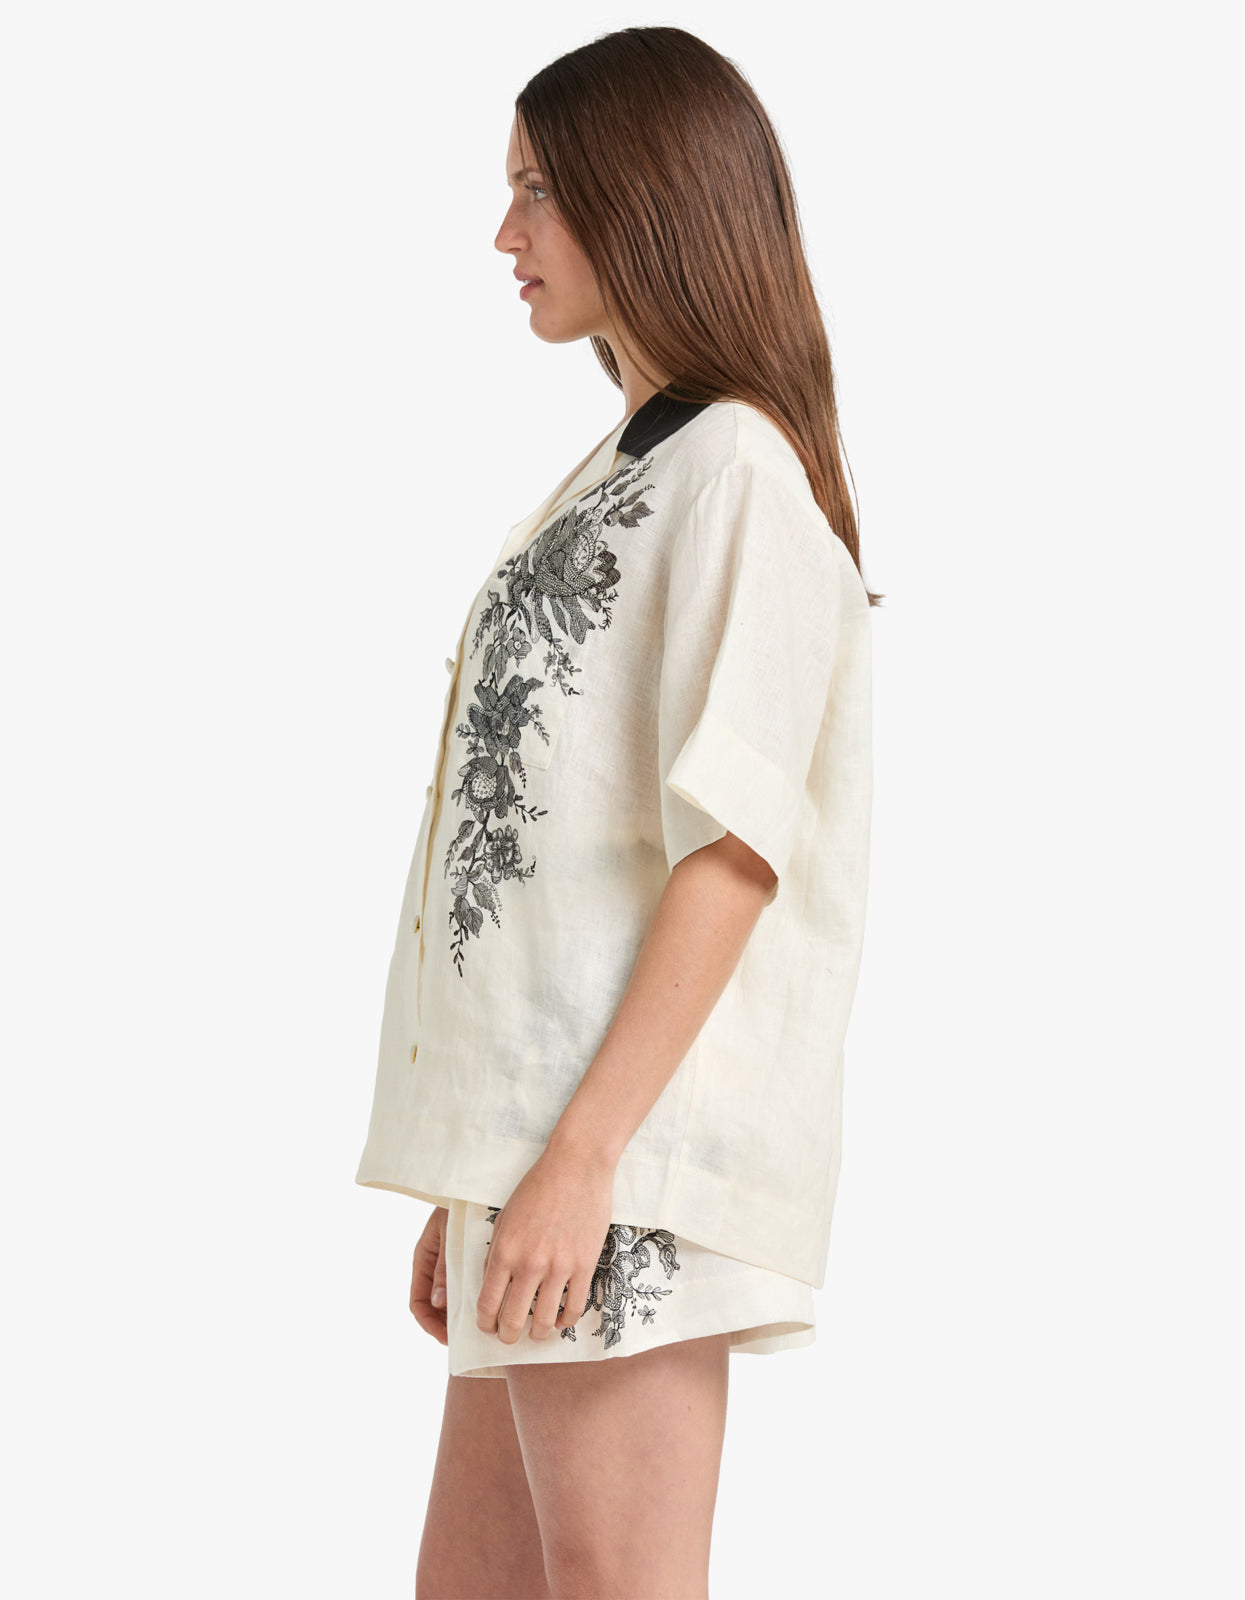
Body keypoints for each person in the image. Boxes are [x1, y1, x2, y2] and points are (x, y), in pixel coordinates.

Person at [353, 25, 880, 1598]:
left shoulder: (735, 471)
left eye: (536, 190)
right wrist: (483, 1165)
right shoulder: (628, 467)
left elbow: (734, 849)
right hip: (541, 1156)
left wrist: (577, 1160)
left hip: (619, 1162)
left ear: (639, 196)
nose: (502, 233)